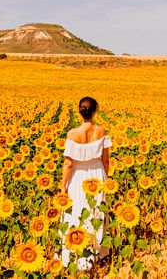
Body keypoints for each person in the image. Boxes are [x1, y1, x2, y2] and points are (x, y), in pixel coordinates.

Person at [58, 96, 112, 271]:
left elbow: (68, 163)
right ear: (95, 111)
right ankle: (95, 254)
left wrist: (63, 186)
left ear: (79, 111)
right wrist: (105, 178)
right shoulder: (101, 131)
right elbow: (106, 160)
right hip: (97, 174)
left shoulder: (73, 134)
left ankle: (74, 255)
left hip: (78, 176)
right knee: (95, 212)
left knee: (76, 212)